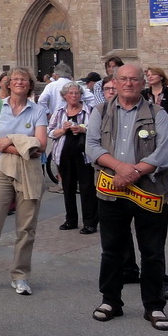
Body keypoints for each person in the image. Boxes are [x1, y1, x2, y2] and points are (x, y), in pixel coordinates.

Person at [85, 64, 168, 331]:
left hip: (149, 191)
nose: (128, 83)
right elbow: (92, 147)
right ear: (115, 81)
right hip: (112, 192)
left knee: (152, 252)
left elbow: (164, 154)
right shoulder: (101, 111)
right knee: (112, 251)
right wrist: (120, 168)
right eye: (123, 79)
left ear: (142, 82)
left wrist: (132, 172)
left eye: (134, 79)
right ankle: (111, 301)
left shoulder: (157, 113)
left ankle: (154, 307)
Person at [0, 68, 48, 295]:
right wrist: (23, 145)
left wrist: (8, 141)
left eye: (23, 80)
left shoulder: (38, 110)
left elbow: (41, 146)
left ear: (30, 84)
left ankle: (21, 276)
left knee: (26, 228)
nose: (19, 83)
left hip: (28, 170)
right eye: (15, 79)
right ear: (8, 83)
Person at [48, 82, 98, 233]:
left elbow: (96, 131)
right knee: (67, 187)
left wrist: (82, 129)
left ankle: (90, 222)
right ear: (64, 96)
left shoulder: (89, 111)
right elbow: (50, 132)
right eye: (71, 93)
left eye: (77, 93)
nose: (74, 96)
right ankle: (71, 220)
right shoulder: (59, 112)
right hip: (64, 155)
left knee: (87, 188)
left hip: (84, 156)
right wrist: (63, 129)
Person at [142, 67, 168, 208]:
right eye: (148, 75)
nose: (150, 77)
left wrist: (162, 121)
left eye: (153, 74)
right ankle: (154, 192)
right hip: (150, 132)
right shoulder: (144, 94)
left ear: (161, 76)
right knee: (151, 161)